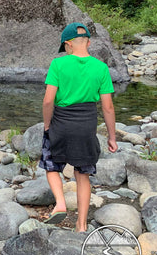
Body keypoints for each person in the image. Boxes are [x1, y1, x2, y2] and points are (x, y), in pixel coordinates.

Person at [40, 22, 118, 233]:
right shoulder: (101, 68)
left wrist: (48, 125)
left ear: (68, 45)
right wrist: (112, 137)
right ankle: (81, 225)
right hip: (87, 125)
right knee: (82, 175)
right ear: (89, 42)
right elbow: (108, 107)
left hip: (61, 123)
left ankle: (61, 203)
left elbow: (48, 101)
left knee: (51, 164)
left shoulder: (58, 65)